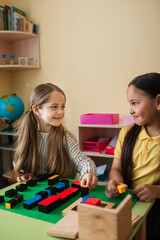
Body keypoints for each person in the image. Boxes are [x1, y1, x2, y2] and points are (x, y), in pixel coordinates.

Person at [105, 72, 160, 240]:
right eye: (129, 104)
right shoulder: (126, 134)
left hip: (155, 212)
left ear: (158, 102)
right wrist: (114, 181)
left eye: (135, 103)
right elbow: (116, 168)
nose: (130, 110)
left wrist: (157, 191)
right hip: (128, 204)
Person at [13, 83, 97, 191]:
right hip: (35, 192)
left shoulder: (65, 138)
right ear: (36, 110)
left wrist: (88, 173)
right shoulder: (27, 135)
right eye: (54, 107)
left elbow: (83, 161)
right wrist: (22, 173)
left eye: (63, 106)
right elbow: (18, 161)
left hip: (60, 194)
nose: (61, 112)